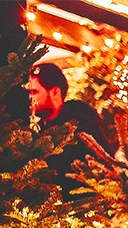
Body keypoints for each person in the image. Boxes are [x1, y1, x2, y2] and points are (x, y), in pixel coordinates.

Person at [28, 63, 111, 191]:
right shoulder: (38, 130)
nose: (30, 97)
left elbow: (102, 157)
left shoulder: (79, 118)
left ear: (55, 92)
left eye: (34, 92)